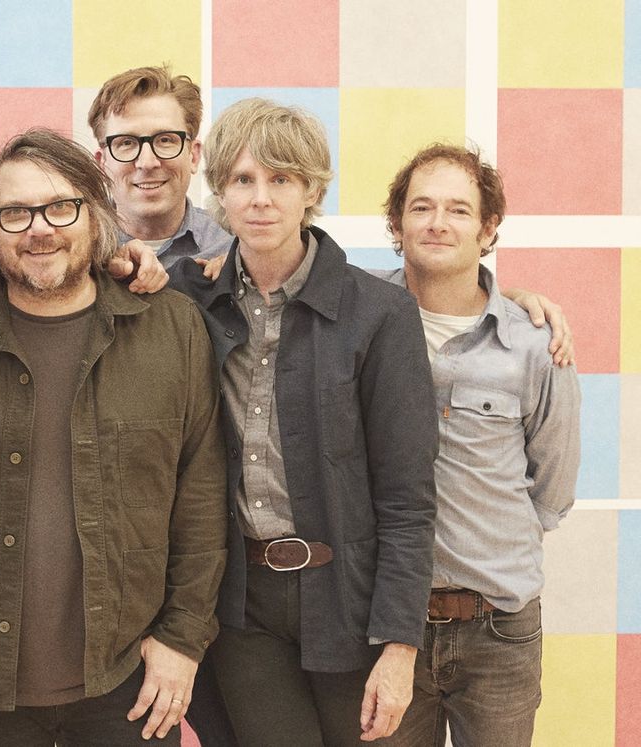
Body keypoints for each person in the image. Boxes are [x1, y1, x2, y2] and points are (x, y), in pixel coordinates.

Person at [0, 129, 227, 745]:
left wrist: (182, 639)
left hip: (128, 679)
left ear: (97, 215)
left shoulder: (172, 327)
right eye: (15, 213)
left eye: (61, 207)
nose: (40, 229)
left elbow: (201, 496)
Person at [167, 98, 438, 745]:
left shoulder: (380, 313)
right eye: (243, 179)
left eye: (281, 179)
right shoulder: (187, 299)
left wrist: (400, 646)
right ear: (220, 191)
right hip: (242, 606)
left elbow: (407, 500)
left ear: (312, 190)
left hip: (350, 602)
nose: (261, 199)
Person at [377, 144, 580, 747]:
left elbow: (552, 489)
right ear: (397, 225)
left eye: (459, 210)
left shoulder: (535, 344)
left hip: (500, 631)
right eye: (421, 207)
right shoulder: (359, 319)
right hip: (386, 627)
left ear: (488, 229)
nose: (438, 223)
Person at [87, 65, 233, 266]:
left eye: (165, 140)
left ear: (193, 155)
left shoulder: (233, 248)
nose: (147, 163)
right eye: (127, 143)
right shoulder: (76, 252)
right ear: (102, 164)